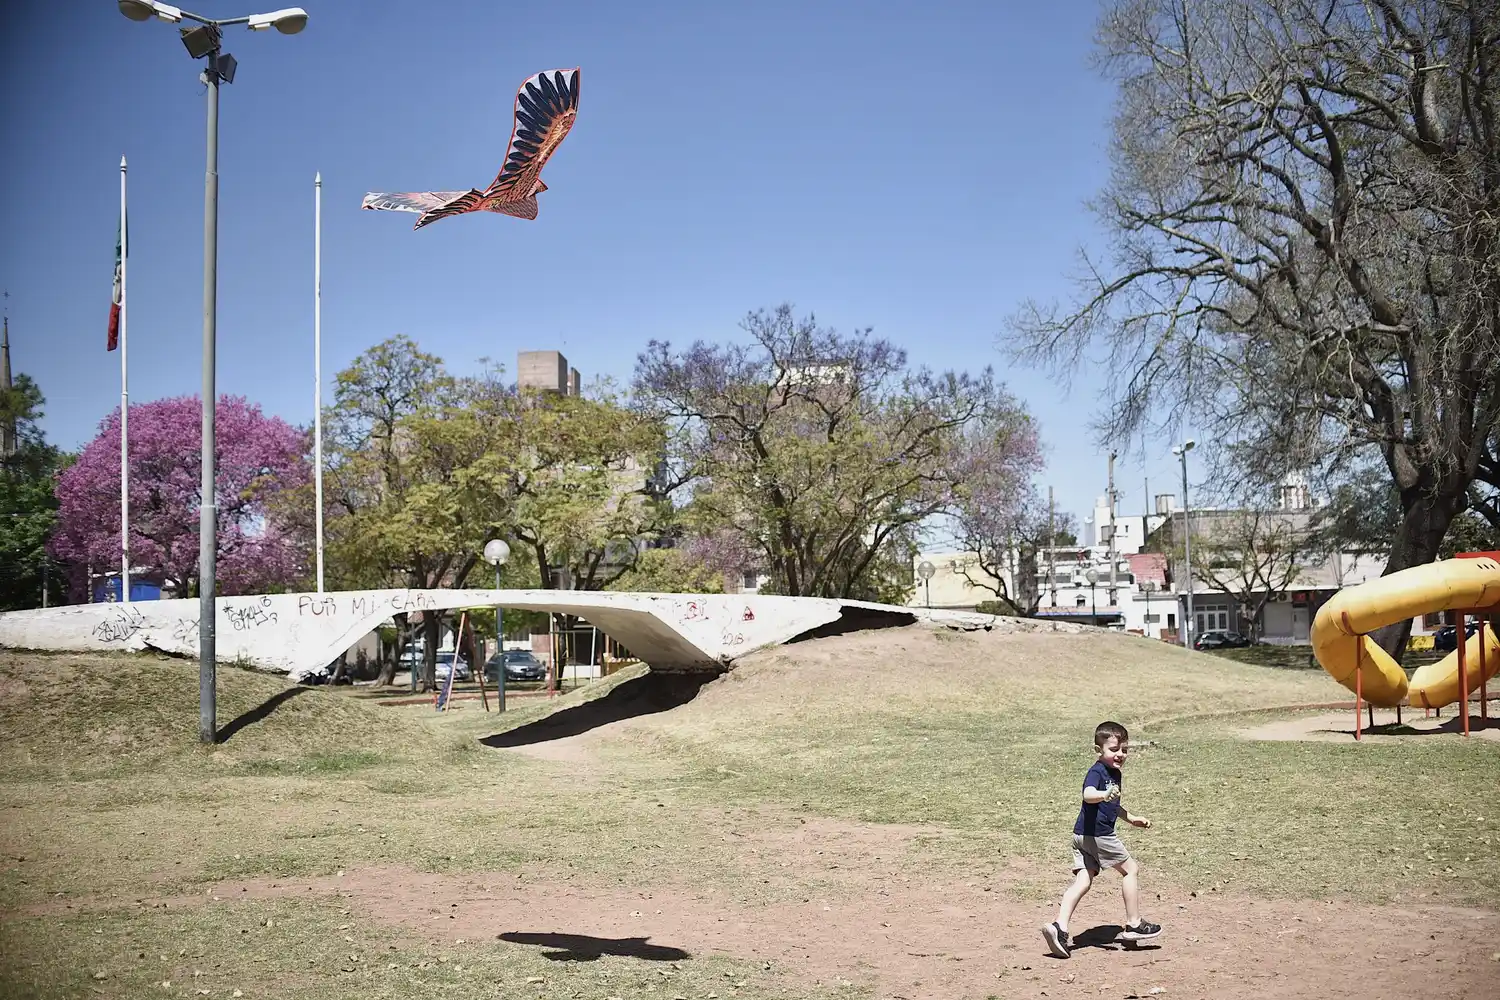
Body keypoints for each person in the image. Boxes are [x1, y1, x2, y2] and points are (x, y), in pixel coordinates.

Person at [1041, 720, 1161, 958]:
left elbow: (1113, 804)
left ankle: (1059, 927)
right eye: (1114, 749)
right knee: (1130, 870)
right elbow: (1088, 795)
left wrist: (1132, 818)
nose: (1120, 755)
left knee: (1083, 881)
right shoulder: (1097, 772)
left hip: (1082, 836)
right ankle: (1134, 923)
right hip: (1098, 837)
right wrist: (1103, 793)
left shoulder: (1115, 773)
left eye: (1124, 750)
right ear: (1099, 750)